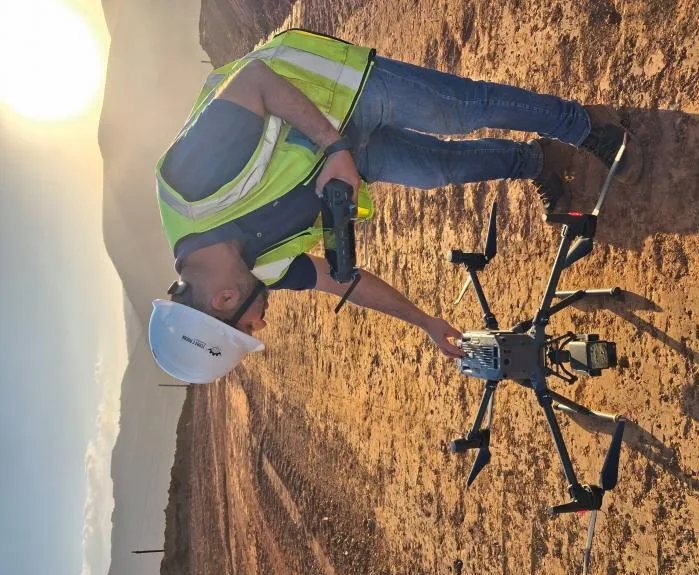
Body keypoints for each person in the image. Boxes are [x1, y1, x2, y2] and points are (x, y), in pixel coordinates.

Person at [148, 28, 642, 384]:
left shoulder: (188, 187)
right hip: (345, 158)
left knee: (458, 110)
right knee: (438, 170)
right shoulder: (255, 272)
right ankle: (538, 161)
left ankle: (585, 126)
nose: (261, 325)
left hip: (338, 93)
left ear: (223, 301)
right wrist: (425, 322)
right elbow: (345, 282)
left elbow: (255, 80)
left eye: (248, 328)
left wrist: (334, 147)